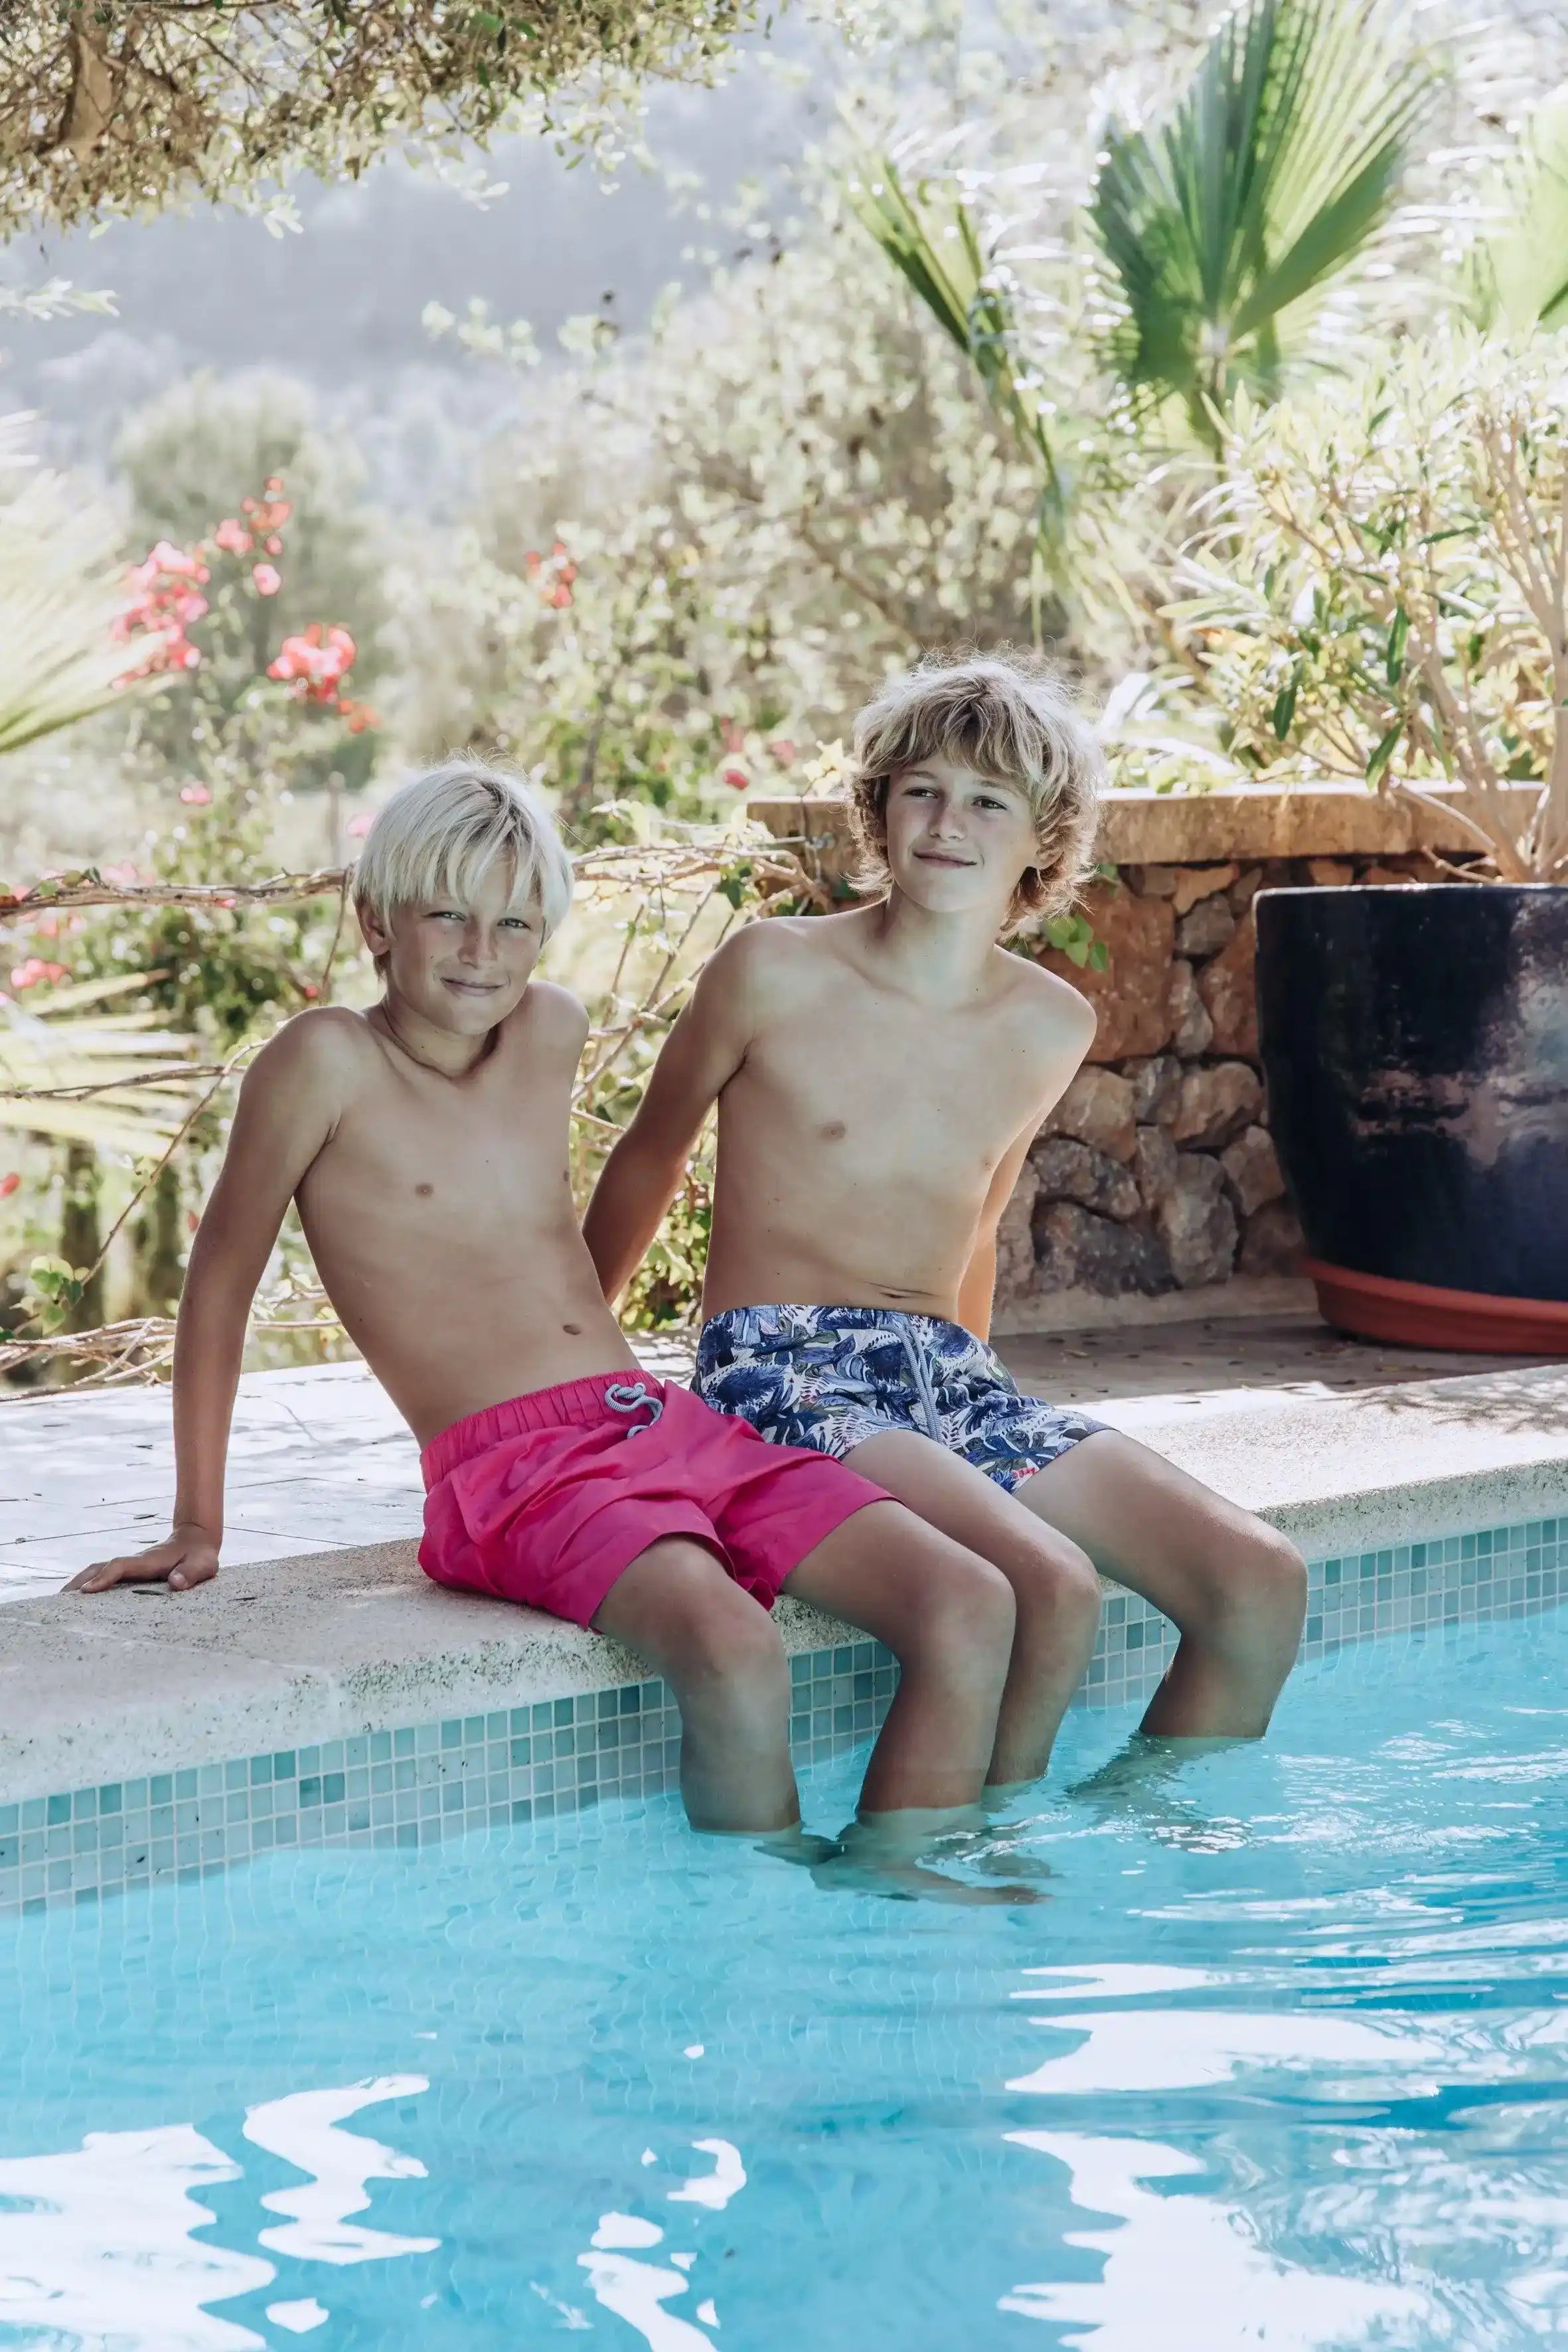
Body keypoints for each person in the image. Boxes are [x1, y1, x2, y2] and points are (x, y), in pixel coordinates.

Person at [66, 759, 1026, 1859]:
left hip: (654, 1420)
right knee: (730, 1643)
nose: (483, 954)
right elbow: (220, 1284)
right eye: (449, 917)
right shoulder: (323, 1061)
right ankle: (768, 1947)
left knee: (964, 1600)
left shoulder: (551, 1030)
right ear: (375, 920)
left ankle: (897, 1896)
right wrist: (200, 1520)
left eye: (516, 924)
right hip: (506, 1469)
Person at [584, 654, 1308, 1778]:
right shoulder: (771, 970)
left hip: (947, 1373)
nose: (947, 822)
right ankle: (964, 1856)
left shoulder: (1046, 1023)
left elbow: (980, 1217)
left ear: (1043, 842)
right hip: (778, 1365)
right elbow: (648, 1159)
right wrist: (575, 1385)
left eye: (987, 802)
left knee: (1258, 1581)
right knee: (1050, 1584)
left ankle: (1120, 1835)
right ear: (877, 807)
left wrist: (982, 1412)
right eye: (921, 789)